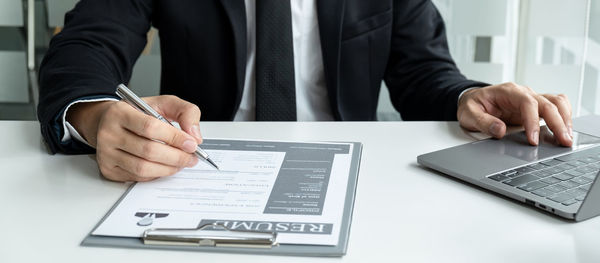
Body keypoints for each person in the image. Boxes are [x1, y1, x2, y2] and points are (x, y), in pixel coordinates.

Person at [38, 0, 573, 182]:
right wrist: (92, 113)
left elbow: (422, 73)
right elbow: (86, 44)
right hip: (198, 167)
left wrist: (467, 97)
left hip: (350, 172)